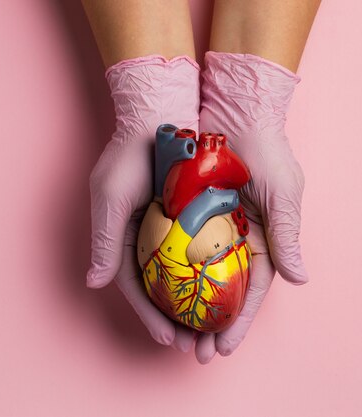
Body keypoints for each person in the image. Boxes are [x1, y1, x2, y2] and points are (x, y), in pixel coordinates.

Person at [81, 0, 321, 364]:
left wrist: (152, 93)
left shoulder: (176, 261)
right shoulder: (179, 261)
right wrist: (250, 99)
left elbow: (191, 223)